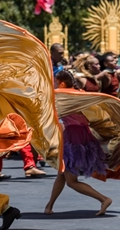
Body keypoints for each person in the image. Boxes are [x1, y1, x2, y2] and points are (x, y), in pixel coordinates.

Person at [44, 70, 112, 216]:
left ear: (62, 83)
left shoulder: (62, 95)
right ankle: (49, 206)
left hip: (73, 135)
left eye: (56, 82)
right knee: (61, 174)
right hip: (82, 133)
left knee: (71, 181)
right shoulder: (79, 93)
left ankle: (103, 199)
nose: (55, 84)